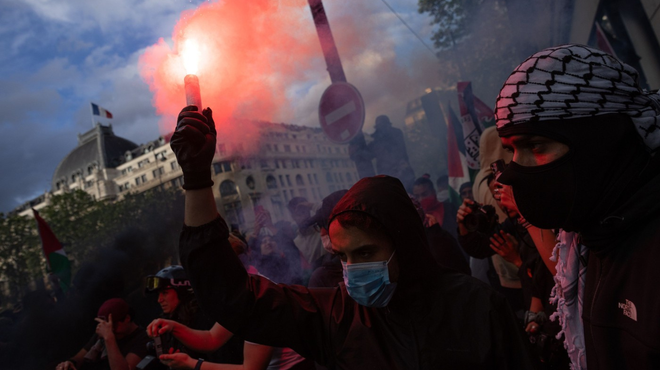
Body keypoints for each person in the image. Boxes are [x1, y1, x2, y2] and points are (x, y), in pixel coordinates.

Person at [169, 105, 531, 369]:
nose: (354, 270)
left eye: (366, 252)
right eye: (343, 257)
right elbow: (232, 297)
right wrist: (197, 179)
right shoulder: (336, 317)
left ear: (403, 244)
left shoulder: (477, 306)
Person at [494, 44, 660, 369]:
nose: (514, 171)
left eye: (535, 146)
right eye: (511, 150)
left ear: (601, 140)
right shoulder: (591, 236)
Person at [144, 266, 224, 362]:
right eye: (158, 294)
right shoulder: (166, 321)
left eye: (165, 293)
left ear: (182, 291)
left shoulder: (204, 318)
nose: (159, 300)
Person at [56, 298, 149, 370]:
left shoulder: (142, 338)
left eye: (112, 325)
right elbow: (80, 357)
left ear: (127, 318)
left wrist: (109, 338)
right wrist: (69, 363)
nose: (110, 329)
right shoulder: (102, 335)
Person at [366, 115, 416, 192]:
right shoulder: (376, 143)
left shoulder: (396, 135)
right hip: (389, 180)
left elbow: (401, 154)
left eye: (383, 126)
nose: (382, 129)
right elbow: (366, 154)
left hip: (403, 176)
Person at [412, 175, 458, 239]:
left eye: (424, 194)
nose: (420, 199)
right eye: (417, 196)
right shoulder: (416, 218)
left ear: (433, 192)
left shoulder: (449, 208)